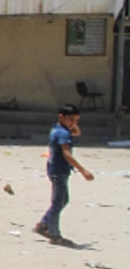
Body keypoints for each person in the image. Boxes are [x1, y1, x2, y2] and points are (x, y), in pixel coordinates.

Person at [33, 103, 94, 245]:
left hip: (57, 170)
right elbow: (67, 154)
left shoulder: (58, 129)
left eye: (77, 120)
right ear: (61, 117)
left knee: (63, 200)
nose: (74, 123)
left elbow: (77, 133)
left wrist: (72, 124)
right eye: (71, 119)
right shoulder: (63, 133)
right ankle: (54, 234)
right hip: (59, 171)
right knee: (57, 204)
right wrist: (83, 170)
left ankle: (43, 224)